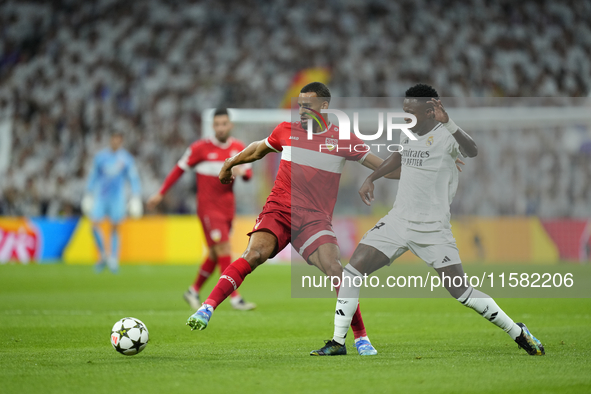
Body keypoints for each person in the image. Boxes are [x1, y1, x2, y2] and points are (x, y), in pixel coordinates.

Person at [186, 82, 432, 357]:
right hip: (279, 210)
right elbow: (257, 150)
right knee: (254, 254)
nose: (302, 110)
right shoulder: (285, 131)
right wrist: (230, 162)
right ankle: (207, 307)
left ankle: (361, 338)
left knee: (336, 270)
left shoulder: (343, 139)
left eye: (308, 105)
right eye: (299, 105)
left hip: (314, 219)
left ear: (324, 107)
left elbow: (385, 169)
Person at [313, 83, 545, 356]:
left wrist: (450, 123)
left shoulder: (448, 137)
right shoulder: (408, 133)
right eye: (404, 111)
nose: (406, 116)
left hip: (432, 228)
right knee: (352, 272)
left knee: (462, 293)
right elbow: (398, 157)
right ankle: (338, 342)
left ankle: (517, 332)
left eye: (412, 112)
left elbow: (472, 151)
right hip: (398, 220)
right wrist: (371, 177)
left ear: (429, 111)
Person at [147, 108, 256, 311]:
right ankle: (235, 297)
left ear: (230, 125)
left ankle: (193, 291)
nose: (221, 128)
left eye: (224, 124)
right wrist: (161, 192)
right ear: (212, 126)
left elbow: (249, 176)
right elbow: (179, 168)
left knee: (215, 254)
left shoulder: (239, 148)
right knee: (223, 248)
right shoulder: (200, 148)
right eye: (217, 124)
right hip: (208, 208)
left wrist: (242, 171)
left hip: (228, 208)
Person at [83, 130, 142, 273]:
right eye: (113, 139)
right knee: (94, 224)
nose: (115, 142)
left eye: (118, 139)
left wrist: (135, 196)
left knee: (115, 227)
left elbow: (133, 178)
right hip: (101, 196)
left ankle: (113, 259)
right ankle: (104, 254)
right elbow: (93, 175)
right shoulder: (101, 157)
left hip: (117, 198)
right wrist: (88, 193)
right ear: (110, 140)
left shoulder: (126, 159)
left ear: (121, 141)